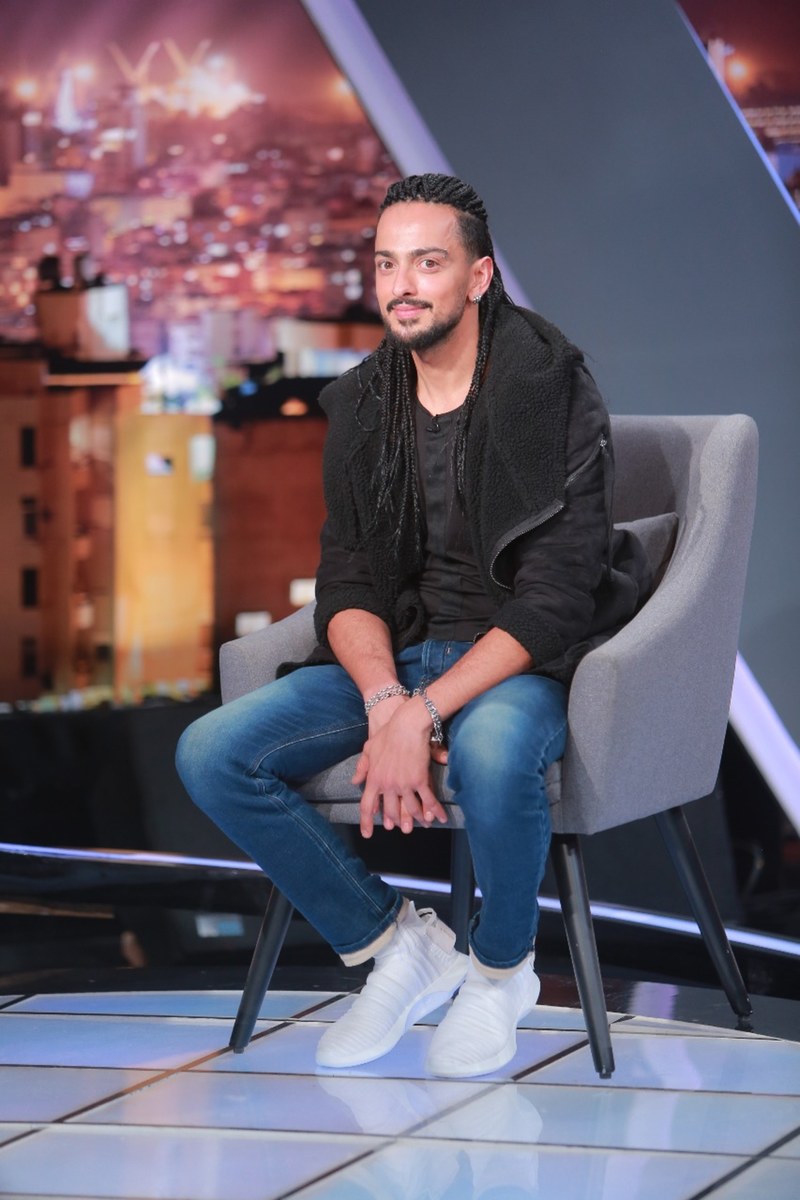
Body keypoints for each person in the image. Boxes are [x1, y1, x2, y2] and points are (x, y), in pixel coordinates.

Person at [177, 173, 644, 1077]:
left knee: (494, 755)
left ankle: (501, 972)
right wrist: (388, 699)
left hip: (516, 660)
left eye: (428, 263)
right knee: (212, 752)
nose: (403, 285)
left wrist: (425, 713)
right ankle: (398, 944)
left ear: (478, 276)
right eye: (388, 264)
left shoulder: (550, 387)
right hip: (398, 654)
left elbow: (555, 598)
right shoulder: (363, 402)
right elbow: (347, 577)